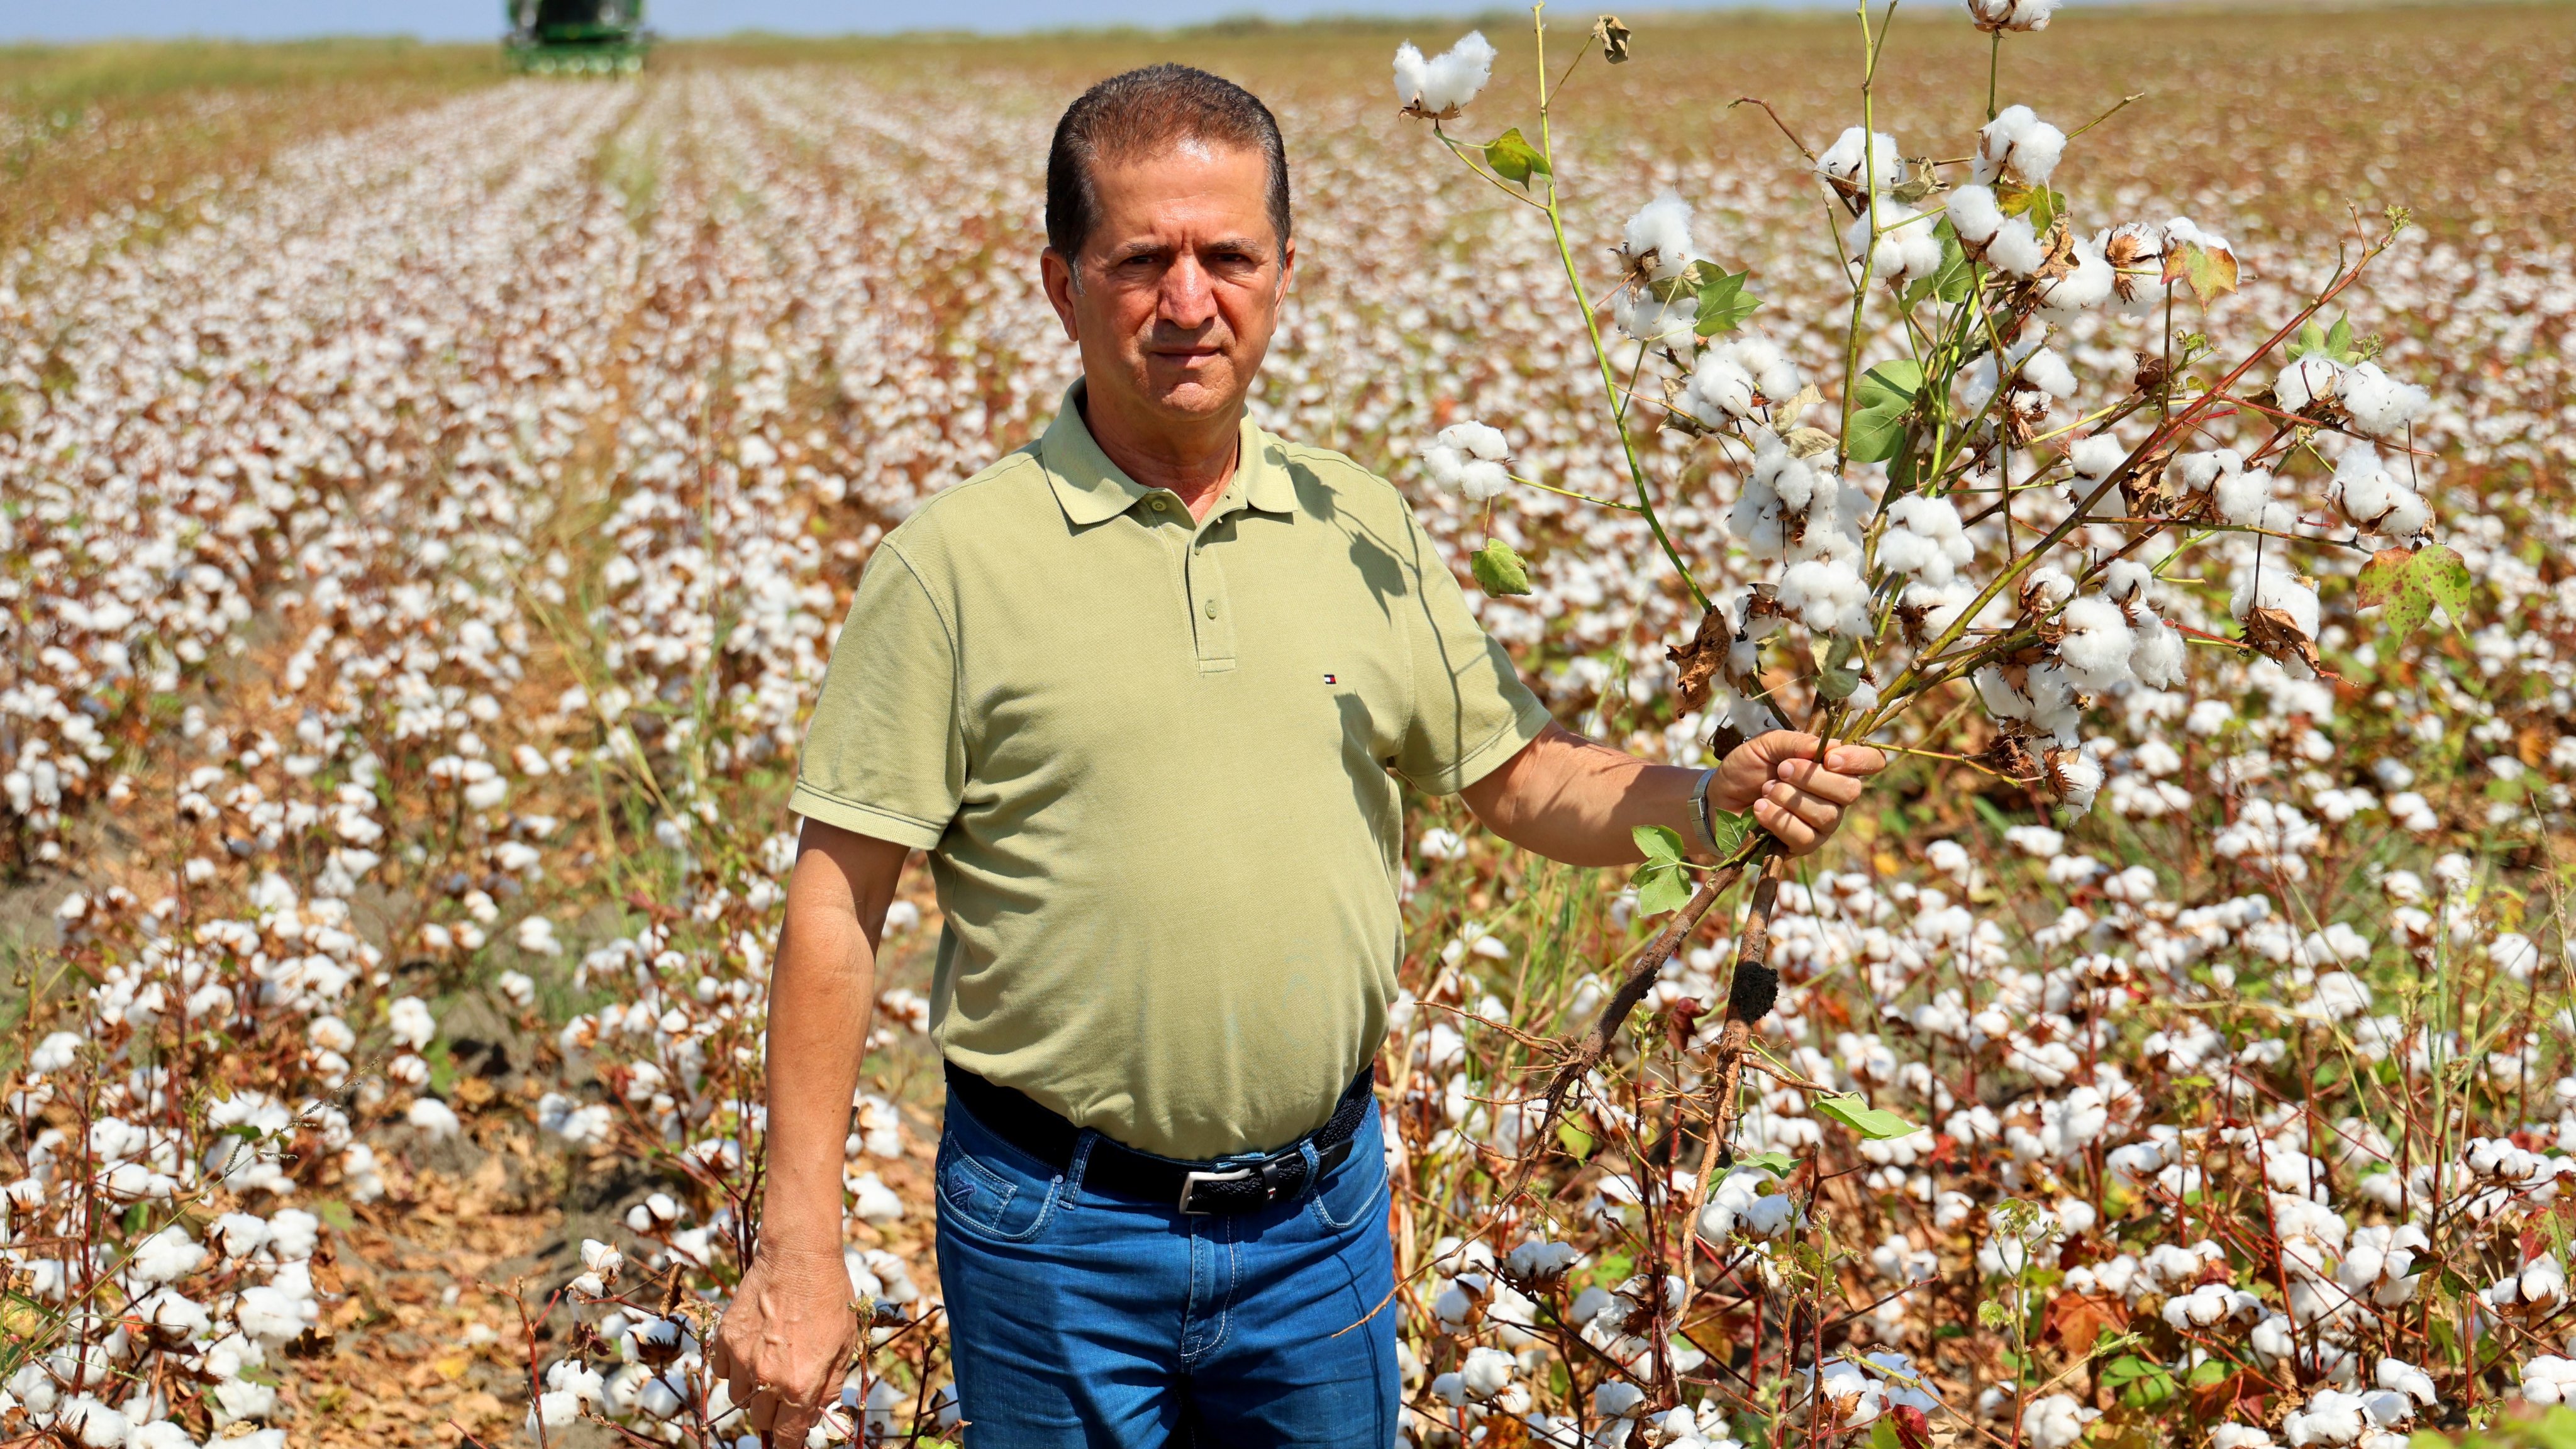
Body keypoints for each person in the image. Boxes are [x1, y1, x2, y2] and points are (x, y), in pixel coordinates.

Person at [709, 62, 1885, 1447]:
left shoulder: (1363, 527)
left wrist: (1708, 799)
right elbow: (835, 912)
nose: (1188, 301)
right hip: (1051, 1229)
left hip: (1317, 1222)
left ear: (1283, 271)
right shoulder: (951, 571)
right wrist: (797, 1246)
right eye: (1140, 258)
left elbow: (1513, 776)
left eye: (1228, 256)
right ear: (1059, 282)